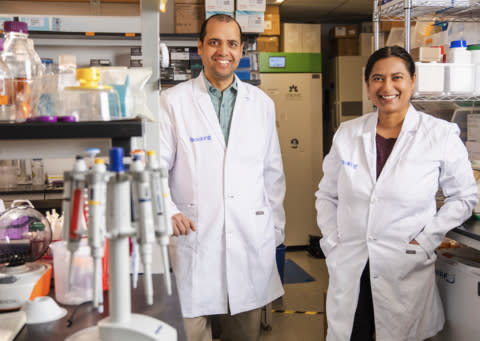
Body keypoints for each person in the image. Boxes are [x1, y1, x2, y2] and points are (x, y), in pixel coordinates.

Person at [315, 45, 478, 341]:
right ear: (367, 86)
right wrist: (331, 241)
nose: (387, 87)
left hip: (405, 261)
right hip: (351, 260)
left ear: (412, 81)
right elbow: (326, 196)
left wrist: (426, 239)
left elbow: (465, 197)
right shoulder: (347, 133)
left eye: (397, 77)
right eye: (377, 78)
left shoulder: (439, 134)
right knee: (352, 333)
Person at [158, 14, 286, 341]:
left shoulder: (262, 104)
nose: (223, 51)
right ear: (200, 47)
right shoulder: (172, 102)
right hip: (193, 238)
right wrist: (168, 209)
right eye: (214, 42)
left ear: (241, 50)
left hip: (248, 240)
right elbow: (153, 167)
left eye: (231, 43)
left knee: (243, 333)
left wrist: (273, 230)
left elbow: (272, 174)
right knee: (189, 333)